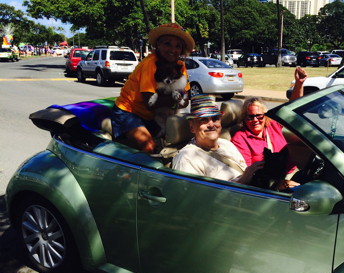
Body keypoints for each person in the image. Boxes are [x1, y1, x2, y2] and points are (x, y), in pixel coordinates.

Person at [110, 23, 195, 153]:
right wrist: (176, 99)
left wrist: (178, 99)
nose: (173, 49)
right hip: (128, 111)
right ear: (158, 45)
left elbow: (186, 99)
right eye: (167, 43)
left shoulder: (180, 66)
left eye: (178, 46)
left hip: (151, 115)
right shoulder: (150, 64)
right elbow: (150, 102)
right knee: (148, 146)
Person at [231, 66, 308, 191]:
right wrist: (280, 184)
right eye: (250, 117)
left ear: (265, 115)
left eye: (259, 116)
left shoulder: (273, 125)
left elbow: (291, 110)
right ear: (244, 118)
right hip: (269, 184)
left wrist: (299, 84)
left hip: (292, 172)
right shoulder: (240, 138)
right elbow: (250, 173)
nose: (255, 120)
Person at [172, 94, 263, 184]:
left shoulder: (226, 144)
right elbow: (194, 196)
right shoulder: (187, 157)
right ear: (192, 126)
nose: (211, 125)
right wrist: (242, 182)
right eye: (203, 120)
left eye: (215, 119)